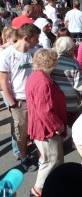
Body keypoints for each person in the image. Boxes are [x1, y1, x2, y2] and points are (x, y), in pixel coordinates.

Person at [26, 49, 67, 197]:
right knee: (50, 160)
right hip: (45, 129)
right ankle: (37, 190)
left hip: (42, 126)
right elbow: (44, 111)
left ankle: (55, 184)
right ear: (51, 63)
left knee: (55, 159)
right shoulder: (42, 82)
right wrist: (57, 125)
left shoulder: (36, 76)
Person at [0, 23, 40, 172]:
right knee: (21, 132)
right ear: (25, 38)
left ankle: (41, 155)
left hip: (36, 98)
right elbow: (3, 80)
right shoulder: (7, 54)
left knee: (35, 128)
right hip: (19, 100)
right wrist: (12, 103)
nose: (37, 41)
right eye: (35, 39)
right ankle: (24, 157)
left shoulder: (35, 52)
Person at [51, 36, 82, 127]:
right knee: (72, 127)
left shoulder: (52, 61)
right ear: (71, 48)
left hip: (55, 101)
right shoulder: (74, 63)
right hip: (70, 102)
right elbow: (79, 86)